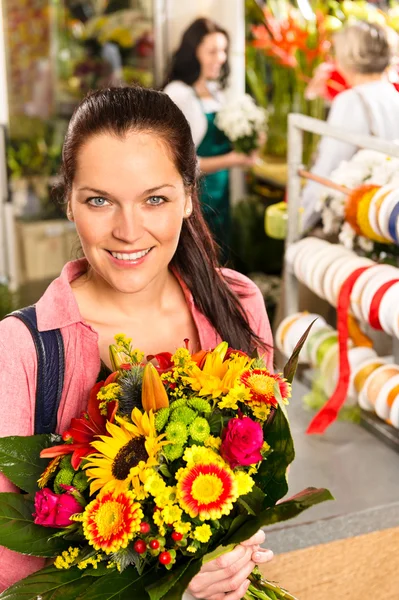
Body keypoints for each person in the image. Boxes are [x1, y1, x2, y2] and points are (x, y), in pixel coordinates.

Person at [0, 86, 274, 598]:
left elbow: (260, 465)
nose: (129, 231)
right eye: (100, 200)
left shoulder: (237, 302)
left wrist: (236, 548)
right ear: (68, 202)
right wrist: (172, 588)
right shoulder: (22, 350)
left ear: (190, 195)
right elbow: (11, 572)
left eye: (155, 199)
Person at [163, 17, 257, 261]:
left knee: (219, 253)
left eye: (223, 50)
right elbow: (178, 162)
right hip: (195, 196)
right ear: (193, 53)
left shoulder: (217, 92)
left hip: (221, 193)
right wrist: (233, 159)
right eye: (213, 51)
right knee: (197, 256)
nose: (221, 57)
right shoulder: (178, 94)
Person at [301, 21, 399, 231]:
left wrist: (300, 220)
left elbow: (327, 171)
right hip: (387, 217)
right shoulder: (393, 96)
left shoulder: (351, 101)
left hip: (356, 219)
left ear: (349, 56)